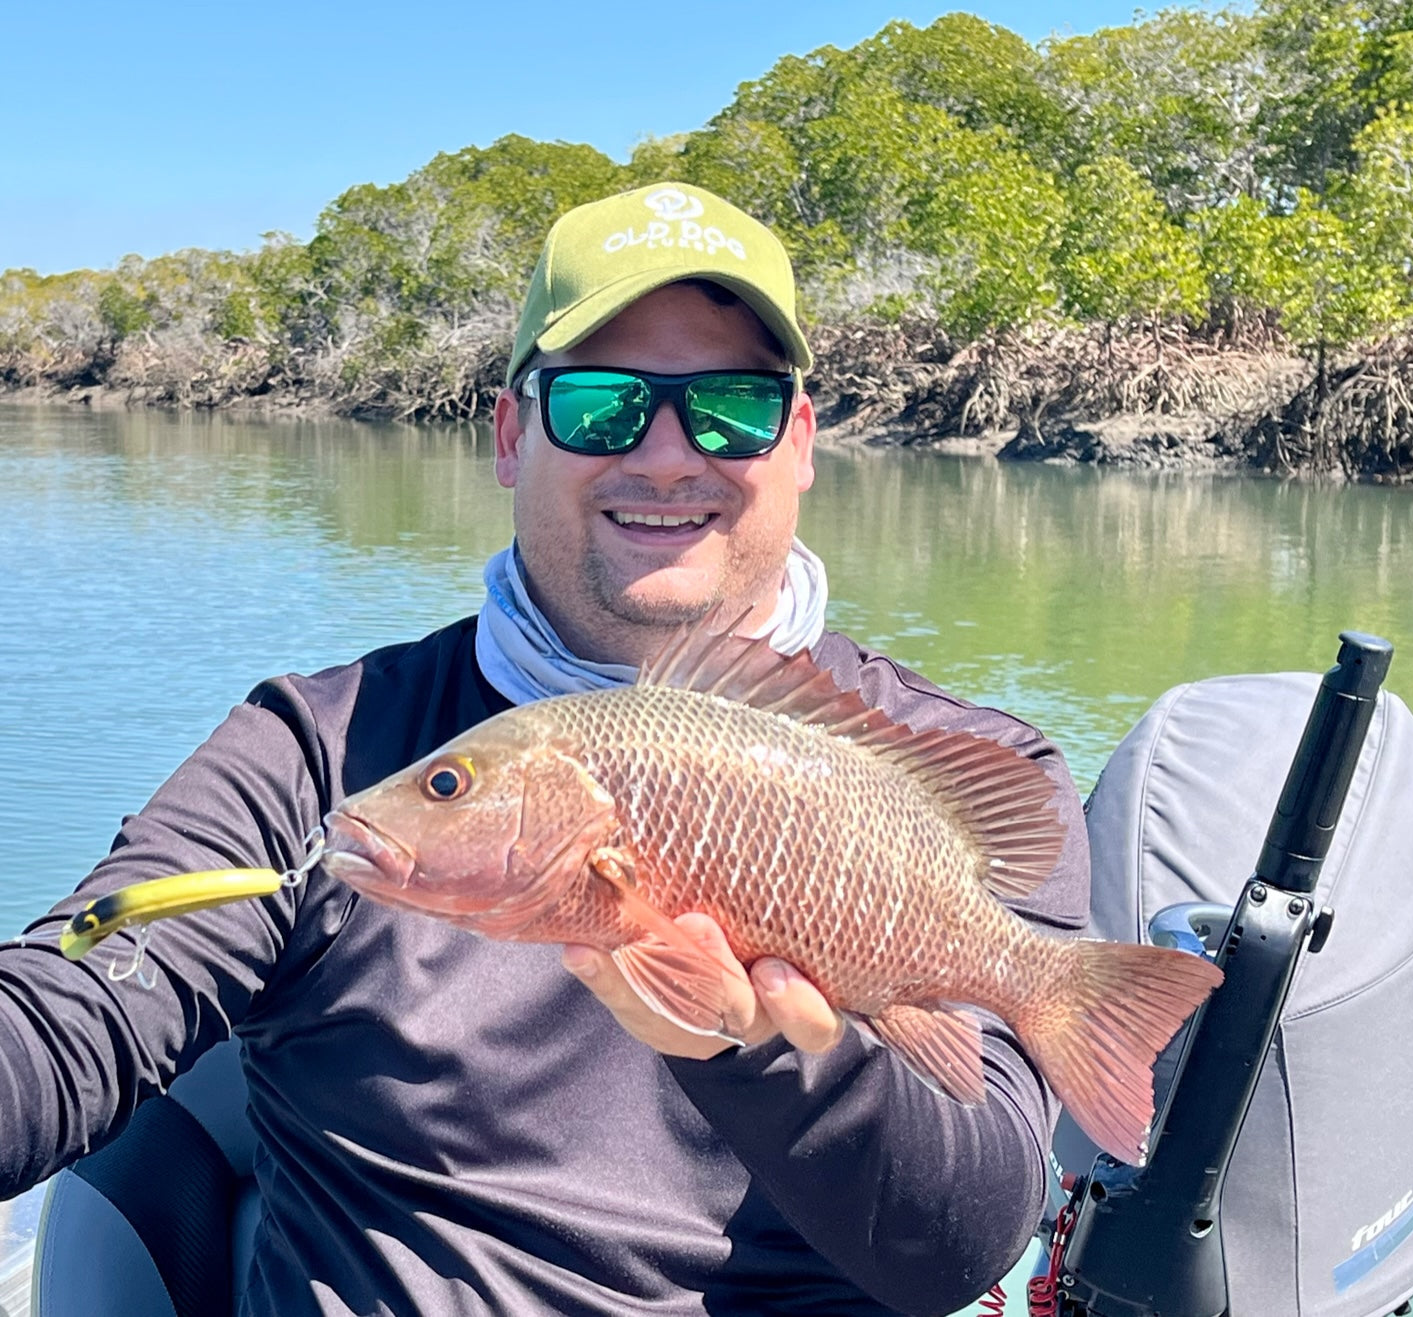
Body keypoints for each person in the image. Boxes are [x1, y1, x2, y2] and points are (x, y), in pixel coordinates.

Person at [0, 182, 1090, 1316]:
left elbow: (961, 1249)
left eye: (731, 408)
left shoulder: (968, 769)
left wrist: (757, 1054)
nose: (669, 456)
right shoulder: (321, 751)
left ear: (800, 441)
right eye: (604, 404)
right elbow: (69, 1017)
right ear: (513, 435)